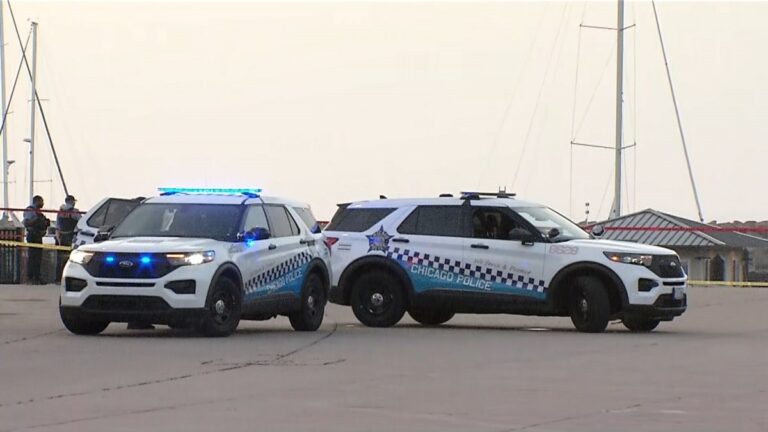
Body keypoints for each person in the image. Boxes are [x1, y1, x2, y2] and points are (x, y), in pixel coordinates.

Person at [23, 195, 50, 285]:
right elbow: (26, 223)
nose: (42, 204)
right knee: (32, 257)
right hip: (32, 235)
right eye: (41, 201)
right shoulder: (30, 210)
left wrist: (45, 222)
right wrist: (37, 221)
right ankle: (30, 278)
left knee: (38, 258)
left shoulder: (39, 213)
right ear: (37, 201)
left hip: (38, 236)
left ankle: (37, 277)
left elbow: (42, 224)